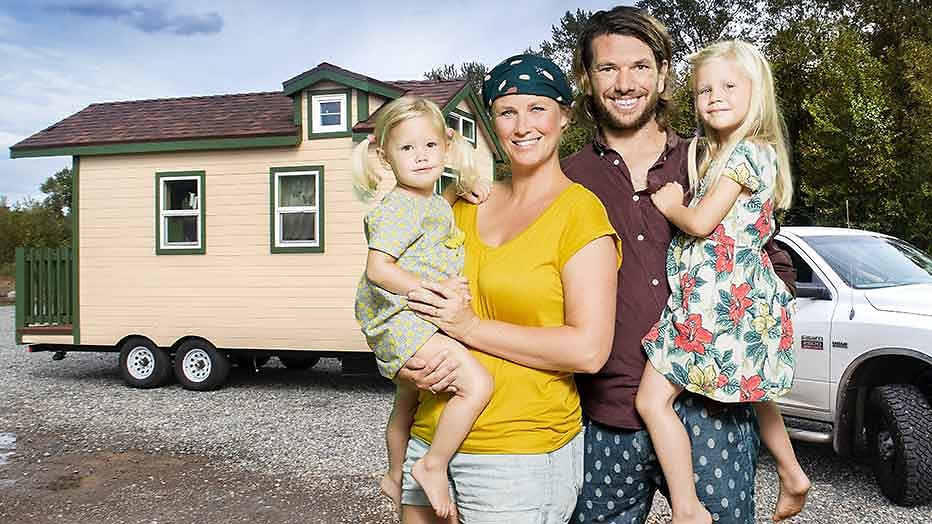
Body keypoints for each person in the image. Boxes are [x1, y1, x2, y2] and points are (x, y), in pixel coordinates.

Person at [560, 6, 800, 524]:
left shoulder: (709, 158)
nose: (625, 83)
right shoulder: (566, 179)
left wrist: (749, 322)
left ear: (663, 74)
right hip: (608, 411)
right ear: (586, 78)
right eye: (607, 69)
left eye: (640, 66)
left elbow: (767, 251)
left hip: (710, 403)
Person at [399, 54, 622, 523]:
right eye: (507, 111)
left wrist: (470, 328)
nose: (522, 126)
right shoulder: (458, 203)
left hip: (520, 454)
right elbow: (394, 294)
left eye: (537, 108)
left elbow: (588, 350)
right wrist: (408, 367)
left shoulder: (580, 214)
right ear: (493, 122)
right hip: (429, 441)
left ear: (565, 115)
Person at [635, 39, 810, 524]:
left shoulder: (743, 155)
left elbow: (700, 223)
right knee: (753, 391)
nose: (713, 96)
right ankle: (792, 472)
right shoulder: (739, 155)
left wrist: (671, 204)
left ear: (757, 93)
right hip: (727, 294)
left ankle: (687, 507)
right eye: (703, 90)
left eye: (729, 86)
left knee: (651, 400)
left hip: (715, 301)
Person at [352, 96, 494, 519]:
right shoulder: (397, 208)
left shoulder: (427, 200)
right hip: (406, 319)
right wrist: (431, 291)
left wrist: (455, 190)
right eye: (407, 149)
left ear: (446, 146)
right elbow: (378, 269)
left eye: (429, 146)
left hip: (403, 320)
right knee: (477, 385)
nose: (420, 157)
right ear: (384, 155)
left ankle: (394, 475)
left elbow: (432, 212)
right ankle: (432, 465)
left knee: (406, 403)